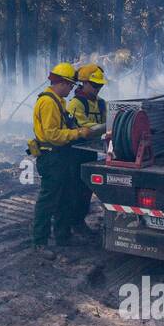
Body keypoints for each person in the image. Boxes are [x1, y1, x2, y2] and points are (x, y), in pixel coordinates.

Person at [29, 63, 98, 249]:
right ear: (63, 83)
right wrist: (78, 134)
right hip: (51, 157)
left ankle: (63, 236)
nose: (72, 90)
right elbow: (53, 135)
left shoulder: (58, 101)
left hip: (60, 156)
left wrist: (76, 128)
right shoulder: (48, 103)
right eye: (71, 86)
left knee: (64, 198)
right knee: (48, 200)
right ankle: (40, 243)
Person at [66, 63, 108, 236]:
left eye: (100, 85)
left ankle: (79, 221)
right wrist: (106, 127)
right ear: (84, 83)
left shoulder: (102, 103)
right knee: (74, 188)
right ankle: (70, 223)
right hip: (74, 151)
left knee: (86, 188)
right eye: (95, 85)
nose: (98, 88)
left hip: (91, 150)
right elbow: (83, 126)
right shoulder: (75, 104)